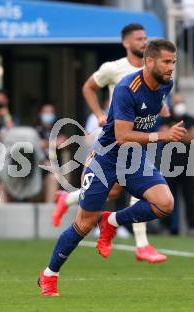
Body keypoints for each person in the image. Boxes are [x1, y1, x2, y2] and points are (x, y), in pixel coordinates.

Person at [38, 39, 184, 297]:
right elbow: (122, 135)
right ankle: (49, 275)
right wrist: (162, 136)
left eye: (173, 61)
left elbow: (156, 109)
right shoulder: (127, 87)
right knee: (84, 224)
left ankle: (112, 220)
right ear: (149, 61)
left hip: (134, 159)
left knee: (165, 203)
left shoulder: (166, 84)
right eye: (166, 62)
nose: (172, 67)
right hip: (106, 159)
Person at [53, 23, 169, 263]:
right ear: (127, 43)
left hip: (137, 143)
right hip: (114, 136)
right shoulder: (115, 69)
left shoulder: (162, 76)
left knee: (128, 191)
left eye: (146, 38)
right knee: (105, 194)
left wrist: (161, 110)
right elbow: (88, 87)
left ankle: (138, 241)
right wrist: (98, 113)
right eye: (138, 38)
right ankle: (138, 242)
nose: (143, 42)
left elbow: (156, 101)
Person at [160, 93, 194, 235]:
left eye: (182, 101)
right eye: (178, 102)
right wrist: (181, 135)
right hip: (169, 165)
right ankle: (166, 227)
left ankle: (192, 227)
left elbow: (192, 137)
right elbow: (164, 136)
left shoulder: (190, 119)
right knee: (167, 198)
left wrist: (174, 134)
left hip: (188, 165)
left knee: (189, 197)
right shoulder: (166, 119)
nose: (180, 104)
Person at [35, 103, 67, 203]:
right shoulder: (35, 130)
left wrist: (46, 143)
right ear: (40, 113)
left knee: (53, 178)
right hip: (37, 170)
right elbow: (36, 144)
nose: (48, 115)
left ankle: (49, 212)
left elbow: (64, 142)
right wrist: (53, 142)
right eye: (46, 112)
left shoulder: (59, 128)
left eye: (51, 112)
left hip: (54, 171)